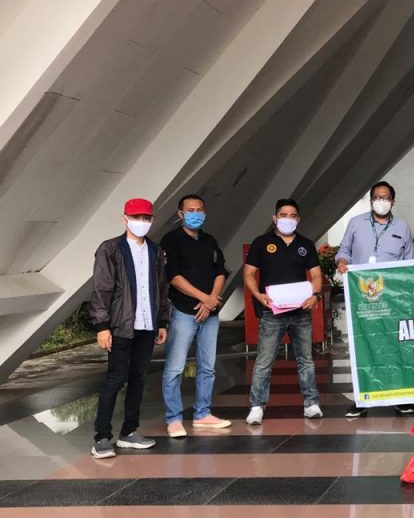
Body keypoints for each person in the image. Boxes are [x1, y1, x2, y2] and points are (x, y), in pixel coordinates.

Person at [88, 198, 169, 458]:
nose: (141, 222)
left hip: (147, 325)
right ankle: (101, 437)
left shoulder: (156, 251)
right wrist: (102, 326)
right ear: (125, 219)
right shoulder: (110, 249)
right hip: (121, 326)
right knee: (115, 379)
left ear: (152, 220)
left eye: (146, 218)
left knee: (138, 379)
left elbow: (162, 289)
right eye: (136, 217)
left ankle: (129, 432)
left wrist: (162, 321)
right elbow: (101, 289)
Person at [336, 181, 414, 417]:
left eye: (386, 197)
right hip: (362, 297)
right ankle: (362, 398)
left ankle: (399, 397)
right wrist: (341, 261)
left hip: (390, 298)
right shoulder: (355, 224)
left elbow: (407, 262)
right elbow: (344, 251)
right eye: (377, 197)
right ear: (371, 200)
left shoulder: (403, 226)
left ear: (393, 201)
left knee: (394, 345)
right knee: (363, 346)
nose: (381, 201)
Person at [244, 198, 323, 425]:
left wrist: (315, 296)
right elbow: (249, 274)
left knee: (306, 359)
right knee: (264, 360)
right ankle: (257, 406)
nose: (287, 219)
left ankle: (311, 403)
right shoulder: (261, 243)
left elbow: (316, 275)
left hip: (301, 311)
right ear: (274, 218)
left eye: (292, 215)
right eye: (283, 215)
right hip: (272, 311)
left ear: (298, 219)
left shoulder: (306, 245)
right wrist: (258, 296)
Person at [160, 194, 231, 438]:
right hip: (183, 312)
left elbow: (220, 271)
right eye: (190, 210)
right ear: (180, 214)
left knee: (207, 367)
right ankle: (174, 419)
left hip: (210, 314)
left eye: (200, 209)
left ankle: (203, 413)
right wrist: (205, 298)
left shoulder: (209, 241)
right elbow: (174, 277)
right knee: (175, 368)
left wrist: (211, 300)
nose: (196, 214)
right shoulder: (171, 241)